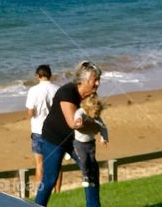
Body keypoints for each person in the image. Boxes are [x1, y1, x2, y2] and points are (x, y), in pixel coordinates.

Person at [34, 61, 103, 207]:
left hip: (75, 141)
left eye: (98, 79)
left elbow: (92, 119)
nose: (97, 83)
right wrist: (96, 126)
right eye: (94, 80)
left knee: (91, 171)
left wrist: (95, 126)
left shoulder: (91, 96)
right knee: (50, 179)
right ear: (83, 80)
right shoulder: (67, 92)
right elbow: (74, 124)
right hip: (54, 139)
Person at [25, 65, 59, 192]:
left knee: (39, 165)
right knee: (55, 164)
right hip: (54, 130)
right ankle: (57, 192)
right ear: (50, 75)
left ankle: (39, 193)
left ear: (37, 76)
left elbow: (30, 112)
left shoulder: (33, 90)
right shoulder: (57, 89)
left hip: (38, 130)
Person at [73, 94, 109, 189]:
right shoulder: (81, 112)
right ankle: (85, 176)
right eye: (95, 113)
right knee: (84, 160)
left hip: (91, 143)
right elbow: (78, 114)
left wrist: (104, 138)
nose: (96, 116)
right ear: (88, 110)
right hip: (79, 143)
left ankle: (92, 179)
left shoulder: (97, 118)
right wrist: (78, 120)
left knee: (92, 160)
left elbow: (103, 128)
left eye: (98, 114)